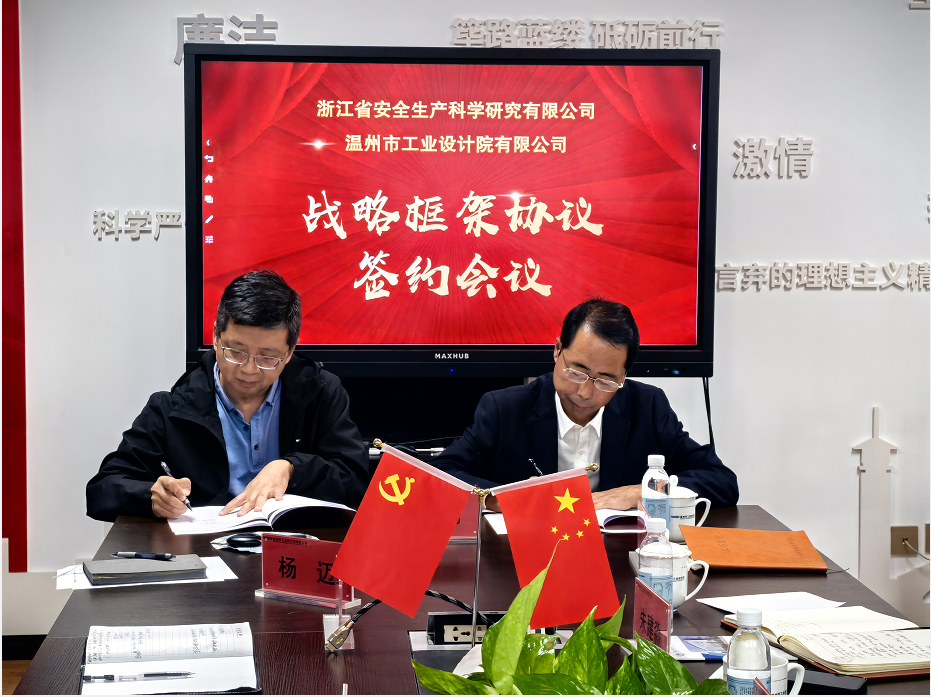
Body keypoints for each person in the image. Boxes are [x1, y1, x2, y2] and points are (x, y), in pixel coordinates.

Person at [86, 270, 369, 522]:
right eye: (236, 351)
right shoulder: (172, 408)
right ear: (215, 337)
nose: (249, 369)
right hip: (205, 551)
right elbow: (102, 489)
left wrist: (292, 468)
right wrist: (151, 496)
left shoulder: (320, 394)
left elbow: (356, 481)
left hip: (295, 547)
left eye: (267, 357)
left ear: (290, 352)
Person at [431, 298, 739, 510]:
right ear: (557, 350)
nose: (585, 392)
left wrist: (644, 490)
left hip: (619, 558)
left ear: (624, 375)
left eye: (605, 381)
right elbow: (441, 473)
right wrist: (501, 497)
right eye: (576, 372)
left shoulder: (647, 406)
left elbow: (722, 481)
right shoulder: (505, 409)